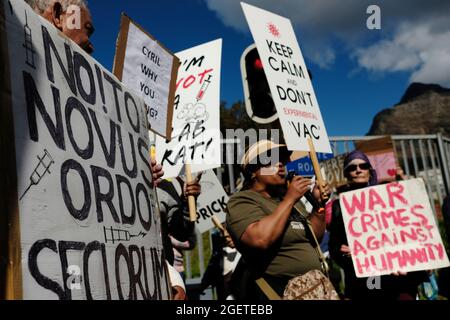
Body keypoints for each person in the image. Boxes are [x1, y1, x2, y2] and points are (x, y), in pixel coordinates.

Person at [226, 140, 331, 298]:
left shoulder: (287, 200)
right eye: (271, 160)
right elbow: (261, 239)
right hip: (277, 292)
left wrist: (318, 206)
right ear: (252, 172)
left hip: (314, 289)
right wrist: (289, 200)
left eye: (282, 159)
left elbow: (315, 237)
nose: (280, 164)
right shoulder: (241, 201)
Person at [328, 150, 427, 300]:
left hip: (398, 275)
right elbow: (334, 246)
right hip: (366, 279)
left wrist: (404, 181)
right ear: (346, 174)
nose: (358, 170)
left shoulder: (389, 196)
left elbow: (409, 229)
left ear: (369, 171)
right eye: (352, 168)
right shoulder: (339, 206)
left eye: (363, 166)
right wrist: (344, 252)